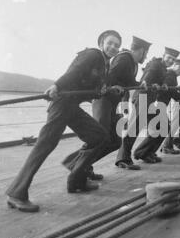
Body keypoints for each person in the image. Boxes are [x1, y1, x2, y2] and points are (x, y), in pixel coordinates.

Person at [6, 30, 122, 212]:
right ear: (101, 43)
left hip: (72, 107)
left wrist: (106, 90)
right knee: (44, 146)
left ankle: (77, 181)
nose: (113, 47)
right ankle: (16, 193)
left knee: (99, 136)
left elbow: (90, 89)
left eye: (117, 45)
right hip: (61, 104)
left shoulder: (104, 64)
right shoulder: (92, 54)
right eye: (110, 43)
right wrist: (57, 86)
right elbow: (74, 72)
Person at [62, 36, 152, 174]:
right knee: (99, 138)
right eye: (145, 54)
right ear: (141, 51)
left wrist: (139, 84)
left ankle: (79, 164)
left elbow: (127, 80)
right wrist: (113, 85)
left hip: (112, 103)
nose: (145, 58)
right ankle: (79, 166)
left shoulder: (131, 62)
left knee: (115, 141)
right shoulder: (124, 59)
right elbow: (109, 77)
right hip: (103, 101)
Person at [115, 47, 180, 168]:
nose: (171, 61)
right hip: (142, 98)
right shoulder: (155, 65)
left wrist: (162, 86)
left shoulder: (162, 67)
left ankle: (144, 152)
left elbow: (156, 83)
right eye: (169, 57)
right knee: (134, 129)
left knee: (164, 126)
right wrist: (152, 85)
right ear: (164, 55)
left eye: (173, 59)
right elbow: (144, 82)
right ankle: (123, 159)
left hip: (149, 101)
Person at [161, 59, 180, 154]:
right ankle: (166, 146)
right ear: (174, 65)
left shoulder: (172, 75)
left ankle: (166, 146)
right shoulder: (170, 75)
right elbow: (170, 91)